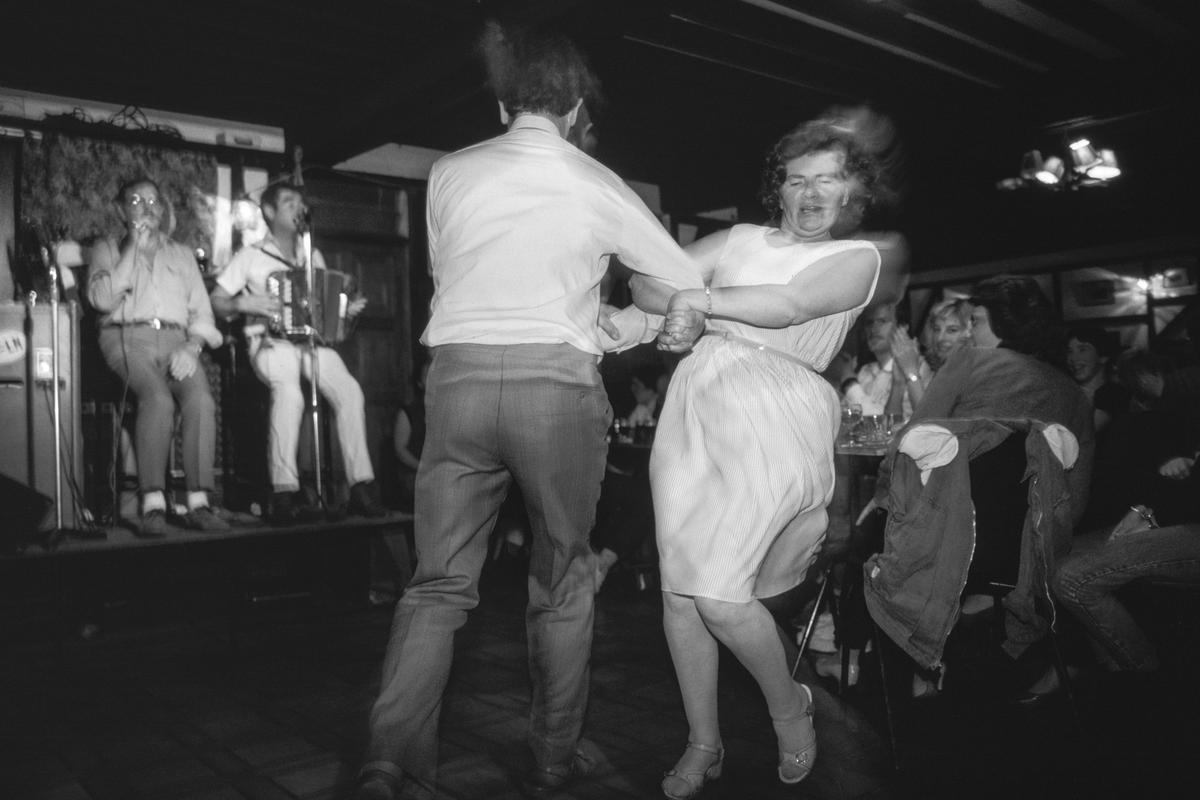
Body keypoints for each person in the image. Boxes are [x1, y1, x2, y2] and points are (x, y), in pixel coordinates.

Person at [352, 22, 703, 800]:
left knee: (437, 583)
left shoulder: (449, 172)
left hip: (460, 381)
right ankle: (550, 758)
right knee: (564, 579)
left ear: (504, 104)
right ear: (576, 105)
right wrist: (635, 325)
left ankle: (387, 757)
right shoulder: (594, 179)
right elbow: (684, 281)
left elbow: (457, 273)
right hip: (556, 386)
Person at [632, 116, 883, 797]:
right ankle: (703, 742)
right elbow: (649, 282)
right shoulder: (742, 238)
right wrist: (681, 298)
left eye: (826, 180)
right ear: (777, 188)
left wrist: (697, 300)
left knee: (719, 592)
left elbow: (791, 302)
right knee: (683, 591)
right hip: (693, 406)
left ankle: (788, 705)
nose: (809, 194)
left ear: (852, 190)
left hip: (777, 411)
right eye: (796, 180)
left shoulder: (859, 257)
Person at [210, 183, 385, 523]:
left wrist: (345, 309)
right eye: (289, 202)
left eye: (301, 202)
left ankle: (361, 487)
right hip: (268, 342)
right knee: (289, 392)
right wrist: (242, 302)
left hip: (310, 343)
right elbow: (217, 301)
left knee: (350, 391)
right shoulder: (250, 255)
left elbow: (323, 304)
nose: (298, 207)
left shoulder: (311, 254)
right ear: (270, 212)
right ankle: (284, 491)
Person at [87, 177, 227, 537]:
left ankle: (198, 502)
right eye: (136, 200)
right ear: (121, 209)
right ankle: (153, 504)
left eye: (153, 200)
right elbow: (101, 300)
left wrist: (192, 346)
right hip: (126, 338)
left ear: (163, 209)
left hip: (178, 341)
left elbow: (204, 315)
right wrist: (133, 246)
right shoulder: (107, 247)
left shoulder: (181, 253)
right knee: (158, 398)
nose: (147, 206)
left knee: (200, 400)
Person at [843, 299, 931, 418]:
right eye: (869, 323)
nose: (873, 329)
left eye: (882, 321)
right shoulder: (865, 371)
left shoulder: (918, 368)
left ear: (902, 327)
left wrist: (849, 383)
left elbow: (884, 424)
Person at [1065, 324, 1129, 434]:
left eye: (1082, 349)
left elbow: (1083, 433)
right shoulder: (1067, 392)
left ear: (1103, 357)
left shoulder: (1113, 394)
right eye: (1070, 351)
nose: (1073, 358)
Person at [923, 297, 974, 371]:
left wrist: (910, 371)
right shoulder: (926, 365)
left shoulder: (973, 372)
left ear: (970, 333)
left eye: (952, 330)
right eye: (937, 329)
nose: (940, 338)